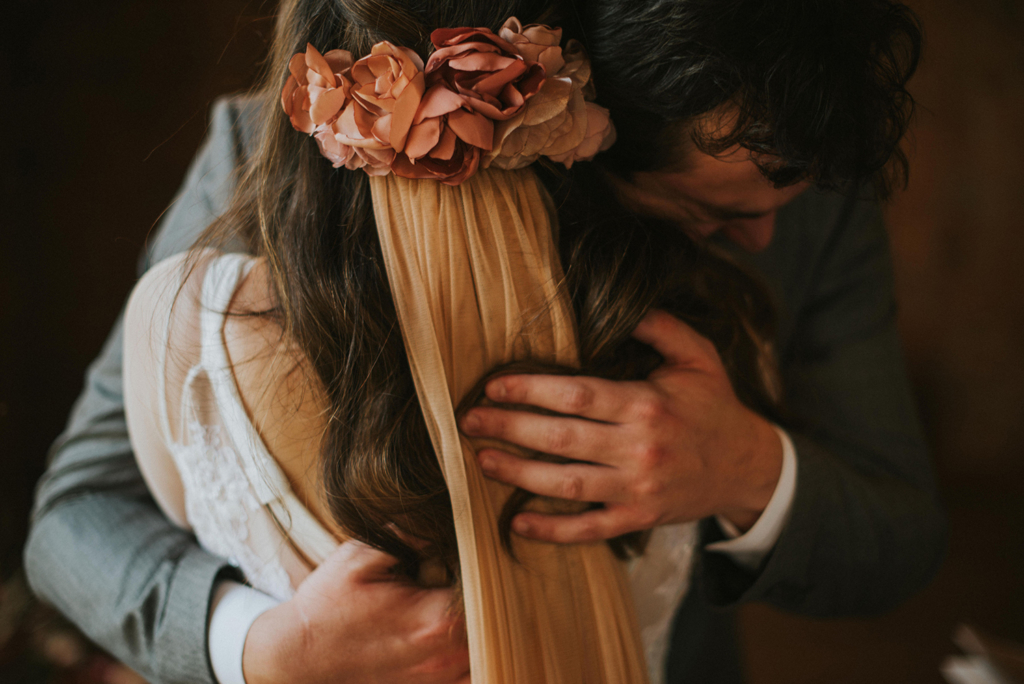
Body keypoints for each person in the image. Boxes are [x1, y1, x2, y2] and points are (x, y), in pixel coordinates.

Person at [23, 2, 946, 684]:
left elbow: (898, 538)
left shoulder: (809, 189)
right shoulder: (268, 157)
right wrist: (259, 646)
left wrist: (745, 468)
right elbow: (73, 517)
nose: (761, 242)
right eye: (713, 211)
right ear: (587, 125)